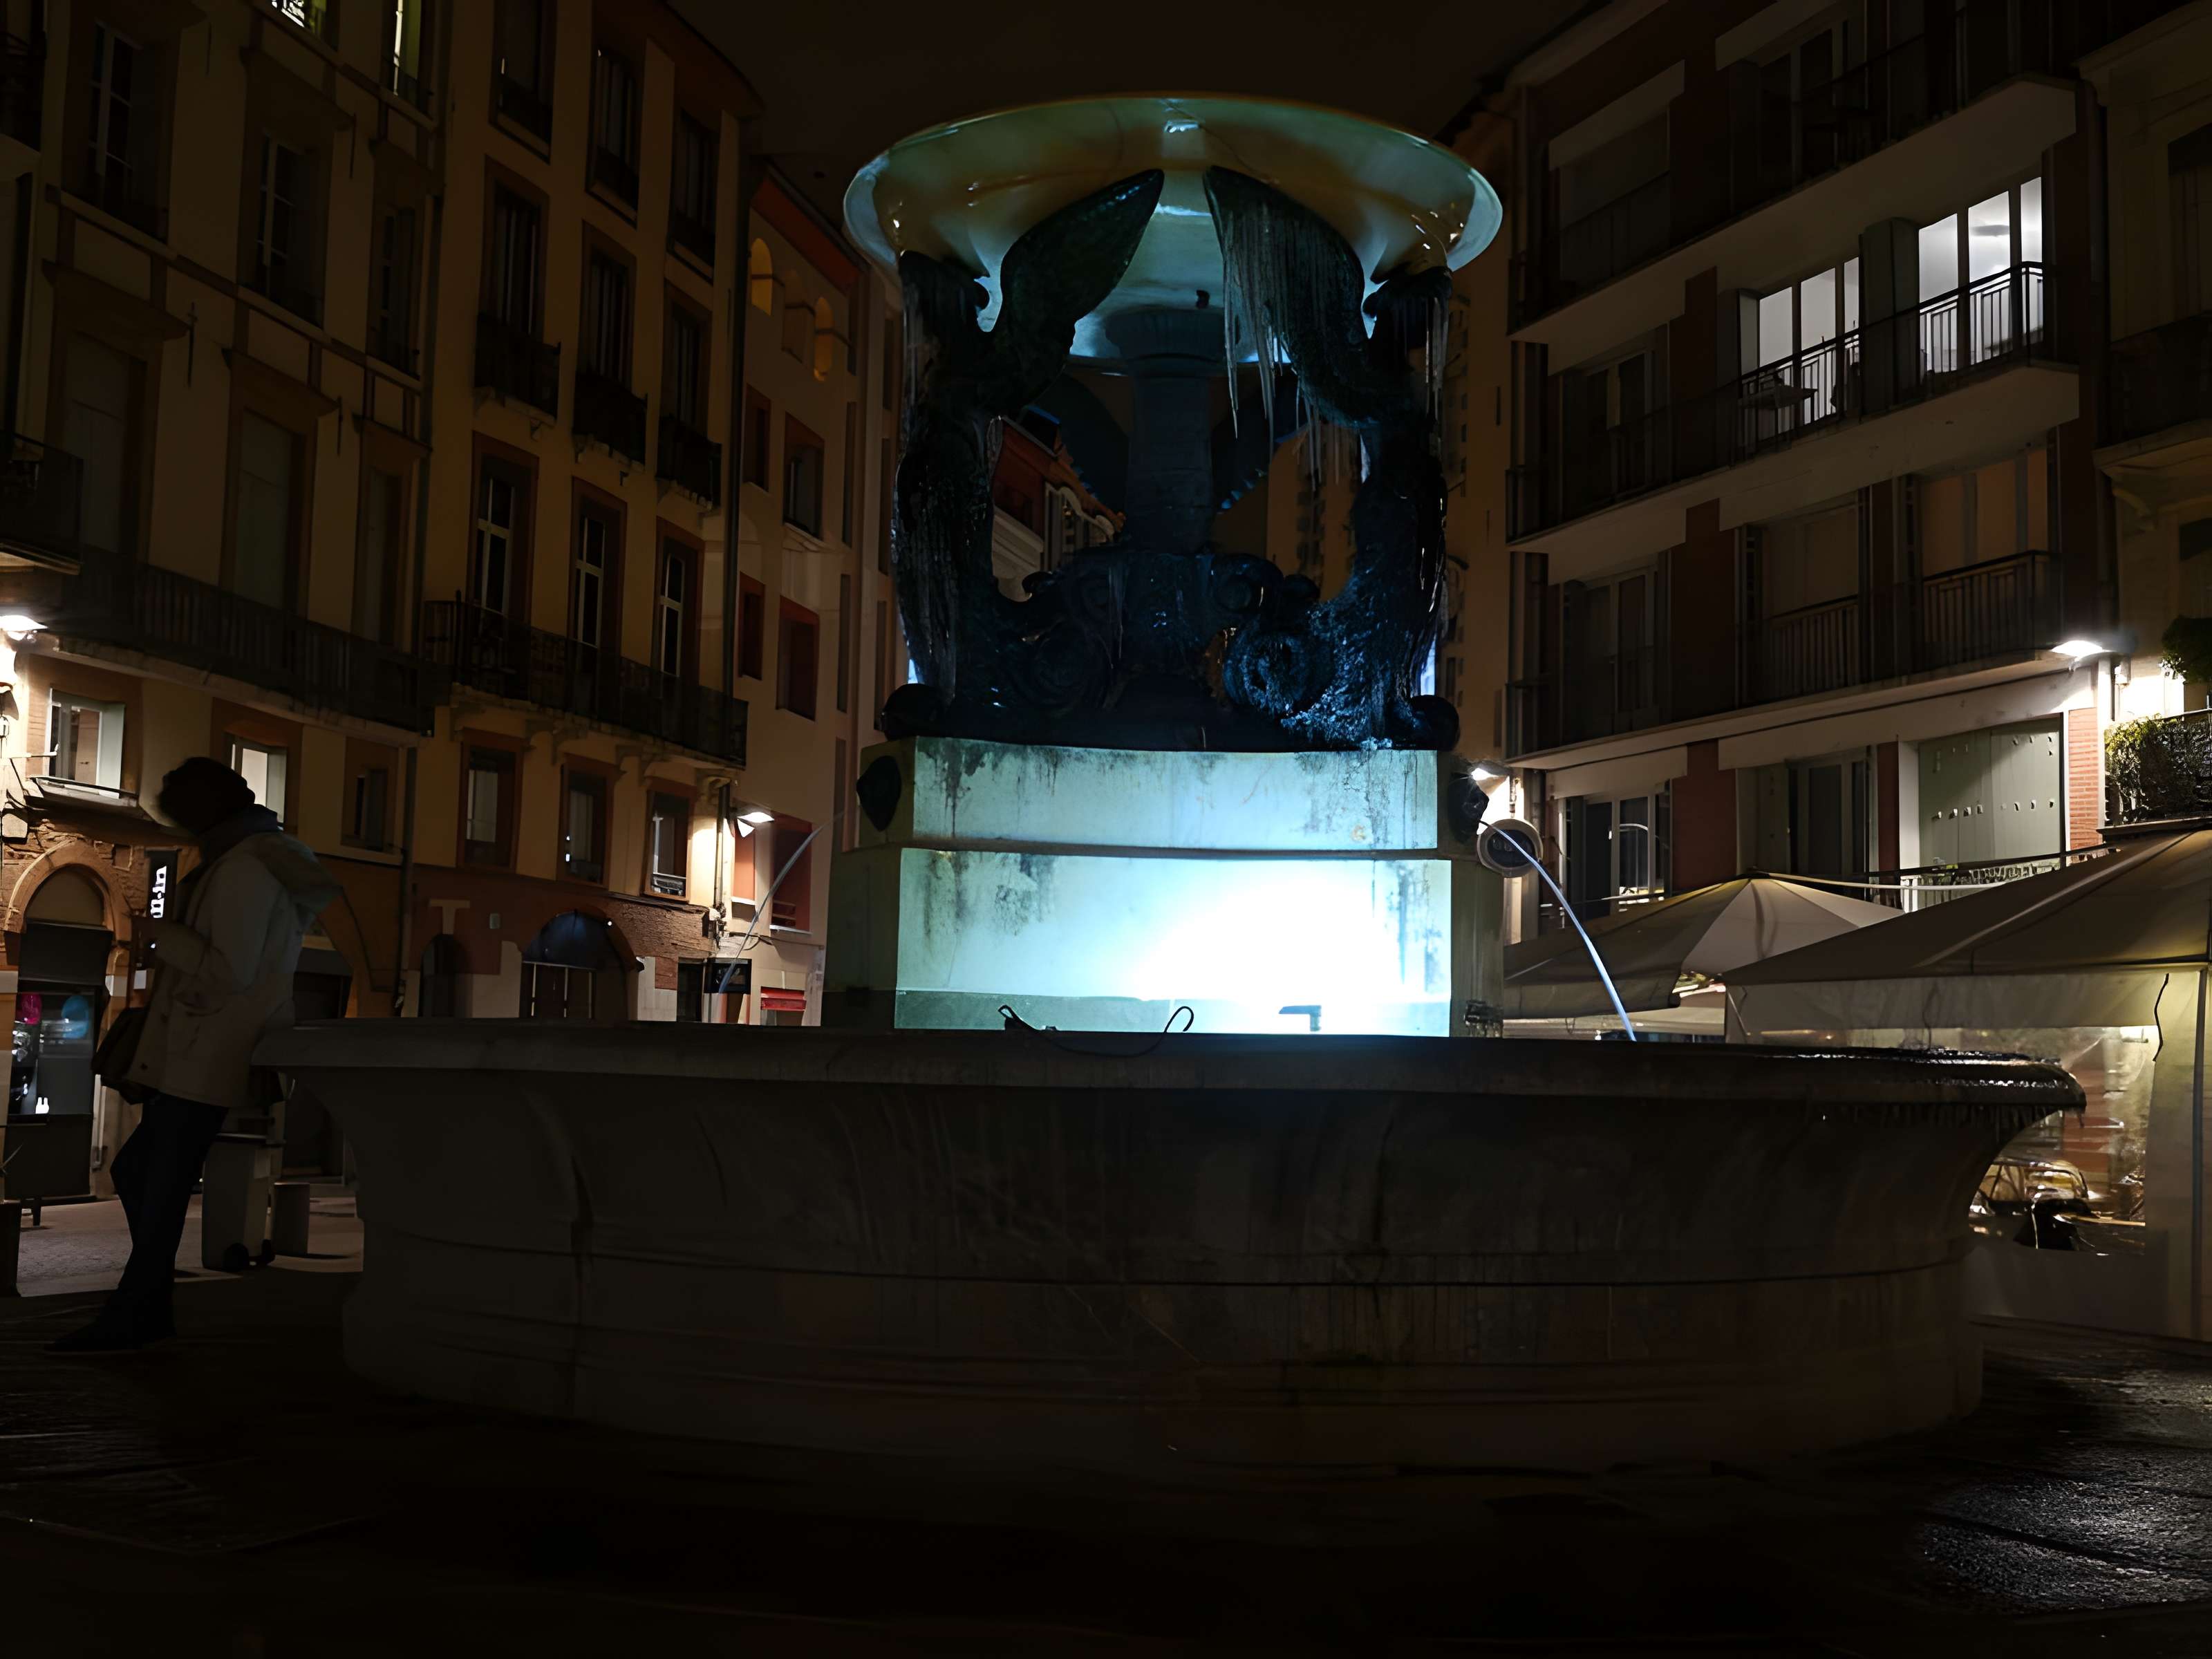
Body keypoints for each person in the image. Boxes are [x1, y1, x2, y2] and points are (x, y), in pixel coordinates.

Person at [50, 758, 338, 1353]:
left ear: (211, 805)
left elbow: (224, 973)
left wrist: (164, 940)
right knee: (147, 1173)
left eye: (177, 802)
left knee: (153, 1175)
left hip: (205, 1052)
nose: (170, 813)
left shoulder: (244, 870)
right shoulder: (245, 861)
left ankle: (142, 1306)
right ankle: (145, 1301)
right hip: (203, 1050)